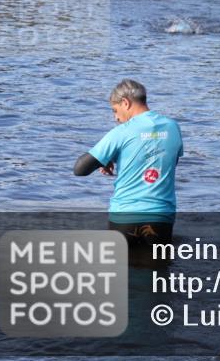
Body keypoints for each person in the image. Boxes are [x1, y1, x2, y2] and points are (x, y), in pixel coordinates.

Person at [73, 79, 183, 247]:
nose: (116, 118)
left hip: (125, 217)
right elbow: (166, 165)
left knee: (121, 271)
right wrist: (117, 156)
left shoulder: (121, 132)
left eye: (115, 110)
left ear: (125, 102)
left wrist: (105, 158)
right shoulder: (173, 127)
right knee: (158, 270)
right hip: (161, 218)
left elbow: (80, 169)